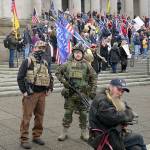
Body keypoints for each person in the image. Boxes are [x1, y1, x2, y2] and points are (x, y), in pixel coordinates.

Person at [88, 78, 147, 150]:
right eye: (118, 89)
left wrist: (126, 114)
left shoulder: (111, 97)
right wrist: (127, 115)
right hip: (105, 137)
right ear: (110, 87)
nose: (120, 93)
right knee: (138, 137)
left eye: (122, 91)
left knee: (136, 148)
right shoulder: (103, 100)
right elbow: (114, 118)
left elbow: (127, 108)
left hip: (111, 133)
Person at [55, 44, 97, 142]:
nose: (78, 55)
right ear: (73, 54)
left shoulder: (87, 65)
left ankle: (84, 132)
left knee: (83, 113)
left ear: (82, 54)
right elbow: (58, 72)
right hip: (70, 94)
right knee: (68, 113)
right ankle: (64, 132)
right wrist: (64, 82)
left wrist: (92, 90)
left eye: (80, 53)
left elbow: (94, 78)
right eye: (76, 53)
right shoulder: (67, 64)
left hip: (83, 94)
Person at [17, 40, 53, 149]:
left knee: (40, 116)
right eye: (39, 48)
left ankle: (36, 136)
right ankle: (24, 139)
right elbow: (20, 77)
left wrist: (50, 87)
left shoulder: (45, 62)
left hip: (42, 93)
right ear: (34, 48)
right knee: (26, 117)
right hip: (30, 94)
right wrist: (24, 91)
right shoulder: (27, 61)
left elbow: (50, 75)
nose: (41, 50)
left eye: (43, 48)